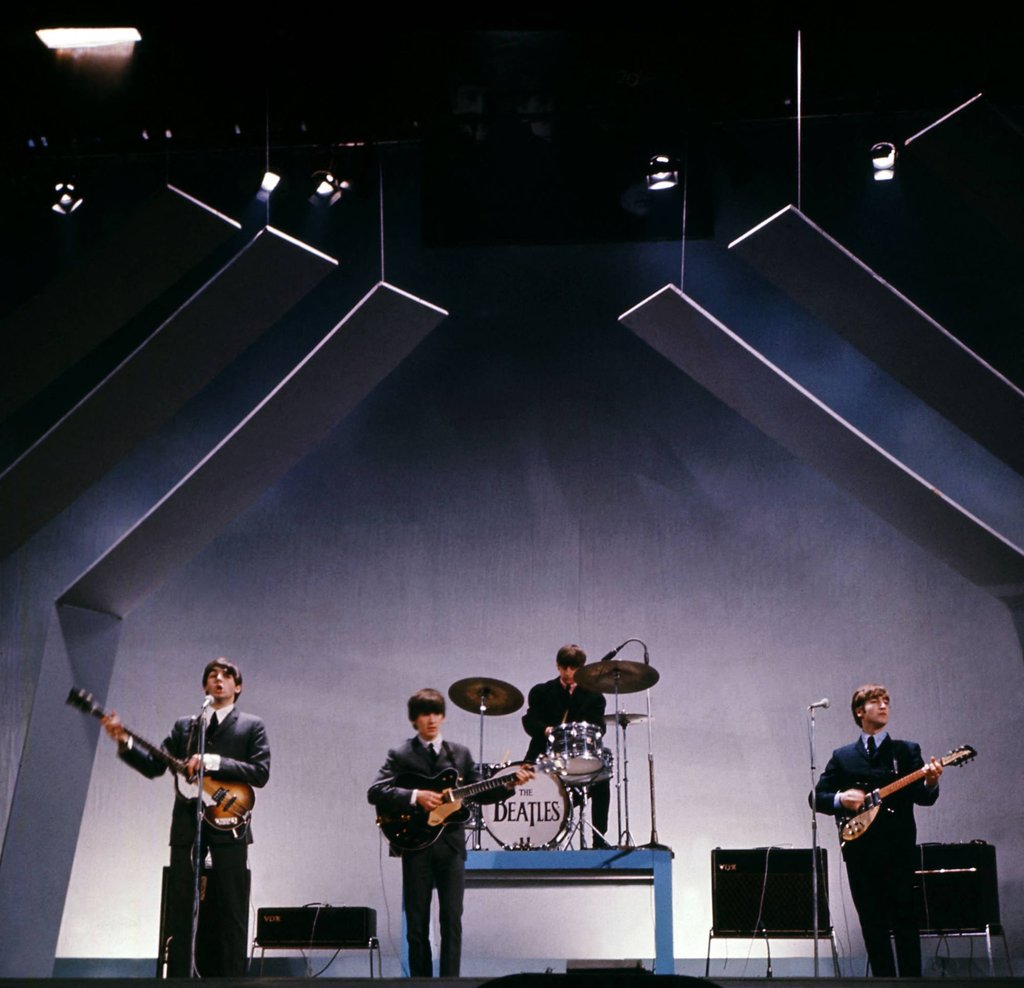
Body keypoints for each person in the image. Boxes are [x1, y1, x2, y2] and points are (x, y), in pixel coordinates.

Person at [101, 658, 270, 977]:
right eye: (211, 675)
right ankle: (179, 977)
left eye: (227, 675)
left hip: (229, 822)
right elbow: (154, 765)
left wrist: (214, 761)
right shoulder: (185, 727)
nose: (219, 678)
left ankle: (232, 979)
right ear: (204, 686)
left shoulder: (252, 726)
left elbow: (260, 772)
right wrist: (125, 743)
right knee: (181, 906)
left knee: (232, 905)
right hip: (187, 820)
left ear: (238, 686)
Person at [368, 688, 532, 977]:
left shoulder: (460, 754)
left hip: (452, 846)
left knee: (452, 922)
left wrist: (508, 784)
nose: (431, 719)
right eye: (424, 714)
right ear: (414, 720)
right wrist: (416, 795)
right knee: (417, 924)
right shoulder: (401, 754)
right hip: (416, 844)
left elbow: (480, 793)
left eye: (435, 713)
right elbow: (376, 791)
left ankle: (450, 984)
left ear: (442, 717)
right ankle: (420, 982)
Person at [814, 684, 942, 978]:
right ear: (860, 711)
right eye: (876, 701)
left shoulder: (906, 751)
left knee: (905, 922)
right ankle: (883, 983)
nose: (884, 706)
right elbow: (816, 797)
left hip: (899, 851)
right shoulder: (843, 756)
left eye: (886, 701)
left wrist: (932, 781)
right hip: (860, 852)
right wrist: (841, 799)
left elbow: (924, 797)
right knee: (872, 924)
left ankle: (911, 983)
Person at [522, 644, 611, 848]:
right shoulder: (541, 691)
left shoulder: (594, 696)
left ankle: (599, 839)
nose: (569, 673)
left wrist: (584, 737)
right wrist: (546, 730)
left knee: (602, 780)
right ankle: (535, 839)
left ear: (582, 668)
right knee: (528, 784)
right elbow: (529, 720)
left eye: (574, 669)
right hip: (545, 757)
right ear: (557, 666)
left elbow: (599, 726)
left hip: (577, 757)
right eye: (565, 668)